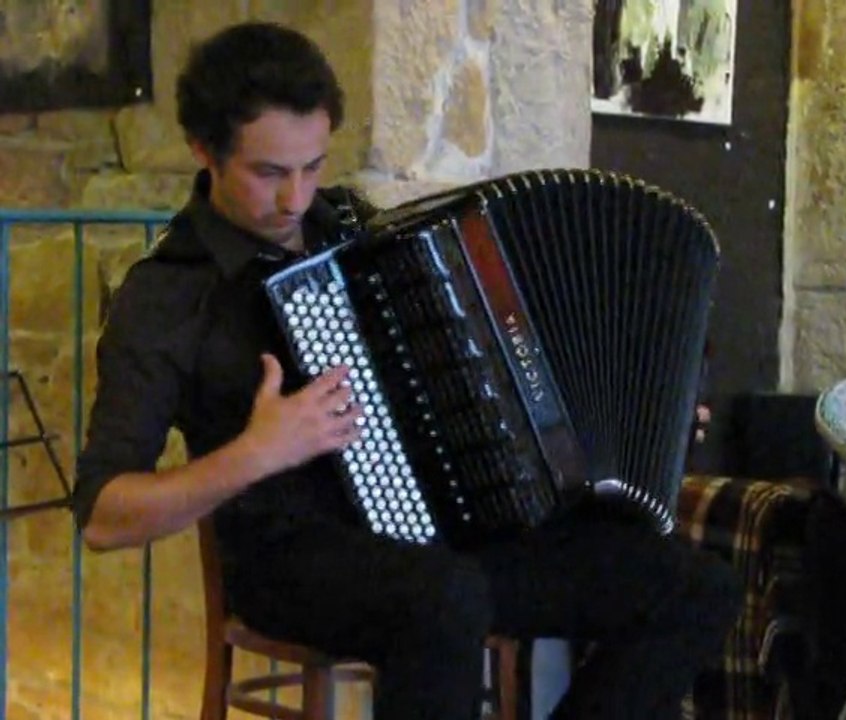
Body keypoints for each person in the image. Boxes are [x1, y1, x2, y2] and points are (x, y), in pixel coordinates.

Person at [74, 21, 741, 720]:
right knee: (443, 599)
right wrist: (255, 452)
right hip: (292, 563)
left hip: (443, 541)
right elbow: (103, 516)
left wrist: (630, 418)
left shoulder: (359, 237)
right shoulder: (167, 296)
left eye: (313, 167)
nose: (296, 198)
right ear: (203, 150)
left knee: (692, 585)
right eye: (268, 173)